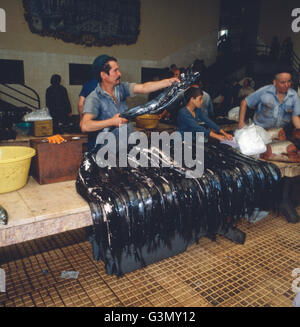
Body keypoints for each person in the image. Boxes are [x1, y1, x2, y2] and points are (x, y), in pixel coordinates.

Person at [80, 55, 179, 151]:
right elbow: (85, 125)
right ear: (103, 75)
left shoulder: (121, 88)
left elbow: (144, 88)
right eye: (115, 70)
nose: (119, 74)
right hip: (106, 154)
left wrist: (167, 82)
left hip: (125, 149)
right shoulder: (94, 98)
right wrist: (112, 121)